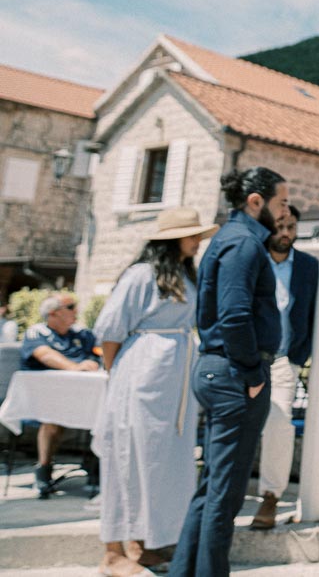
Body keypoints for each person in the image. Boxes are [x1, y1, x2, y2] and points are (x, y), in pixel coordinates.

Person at [170, 167, 289, 577]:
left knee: (213, 489)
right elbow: (235, 316)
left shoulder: (229, 239)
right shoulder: (243, 244)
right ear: (256, 202)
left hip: (221, 372)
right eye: (281, 202)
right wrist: (253, 373)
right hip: (235, 376)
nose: (285, 210)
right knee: (225, 493)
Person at [94, 208, 217, 577]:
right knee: (129, 455)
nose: (198, 241)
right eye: (191, 234)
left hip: (175, 378)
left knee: (163, 460)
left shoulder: (185, 275)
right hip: (141, 372)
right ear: (170, 238)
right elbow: (111, 332)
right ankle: (114, 551)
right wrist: (120, 378)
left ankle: (148, 543)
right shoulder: (139, 275)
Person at [250, 204, 319, 531]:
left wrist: (299, 356)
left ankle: (270, 496)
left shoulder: (308, 266)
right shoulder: (252, 260)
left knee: (278, 423)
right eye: (280, 226)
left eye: (291, 226)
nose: (286, 233)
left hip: (282, 360)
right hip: (248, 358)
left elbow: (313, 312)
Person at [20, 292, 100, 499]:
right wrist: (75, 367)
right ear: (54, 313)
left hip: (85, 394)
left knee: (102, 413)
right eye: (71, 307)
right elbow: (45, 355)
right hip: (47, 397)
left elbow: (98, 351)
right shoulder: (37, 332)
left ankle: (95, 466)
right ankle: (44, 469)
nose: (76, 311)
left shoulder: (81, 334)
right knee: (52, 419)